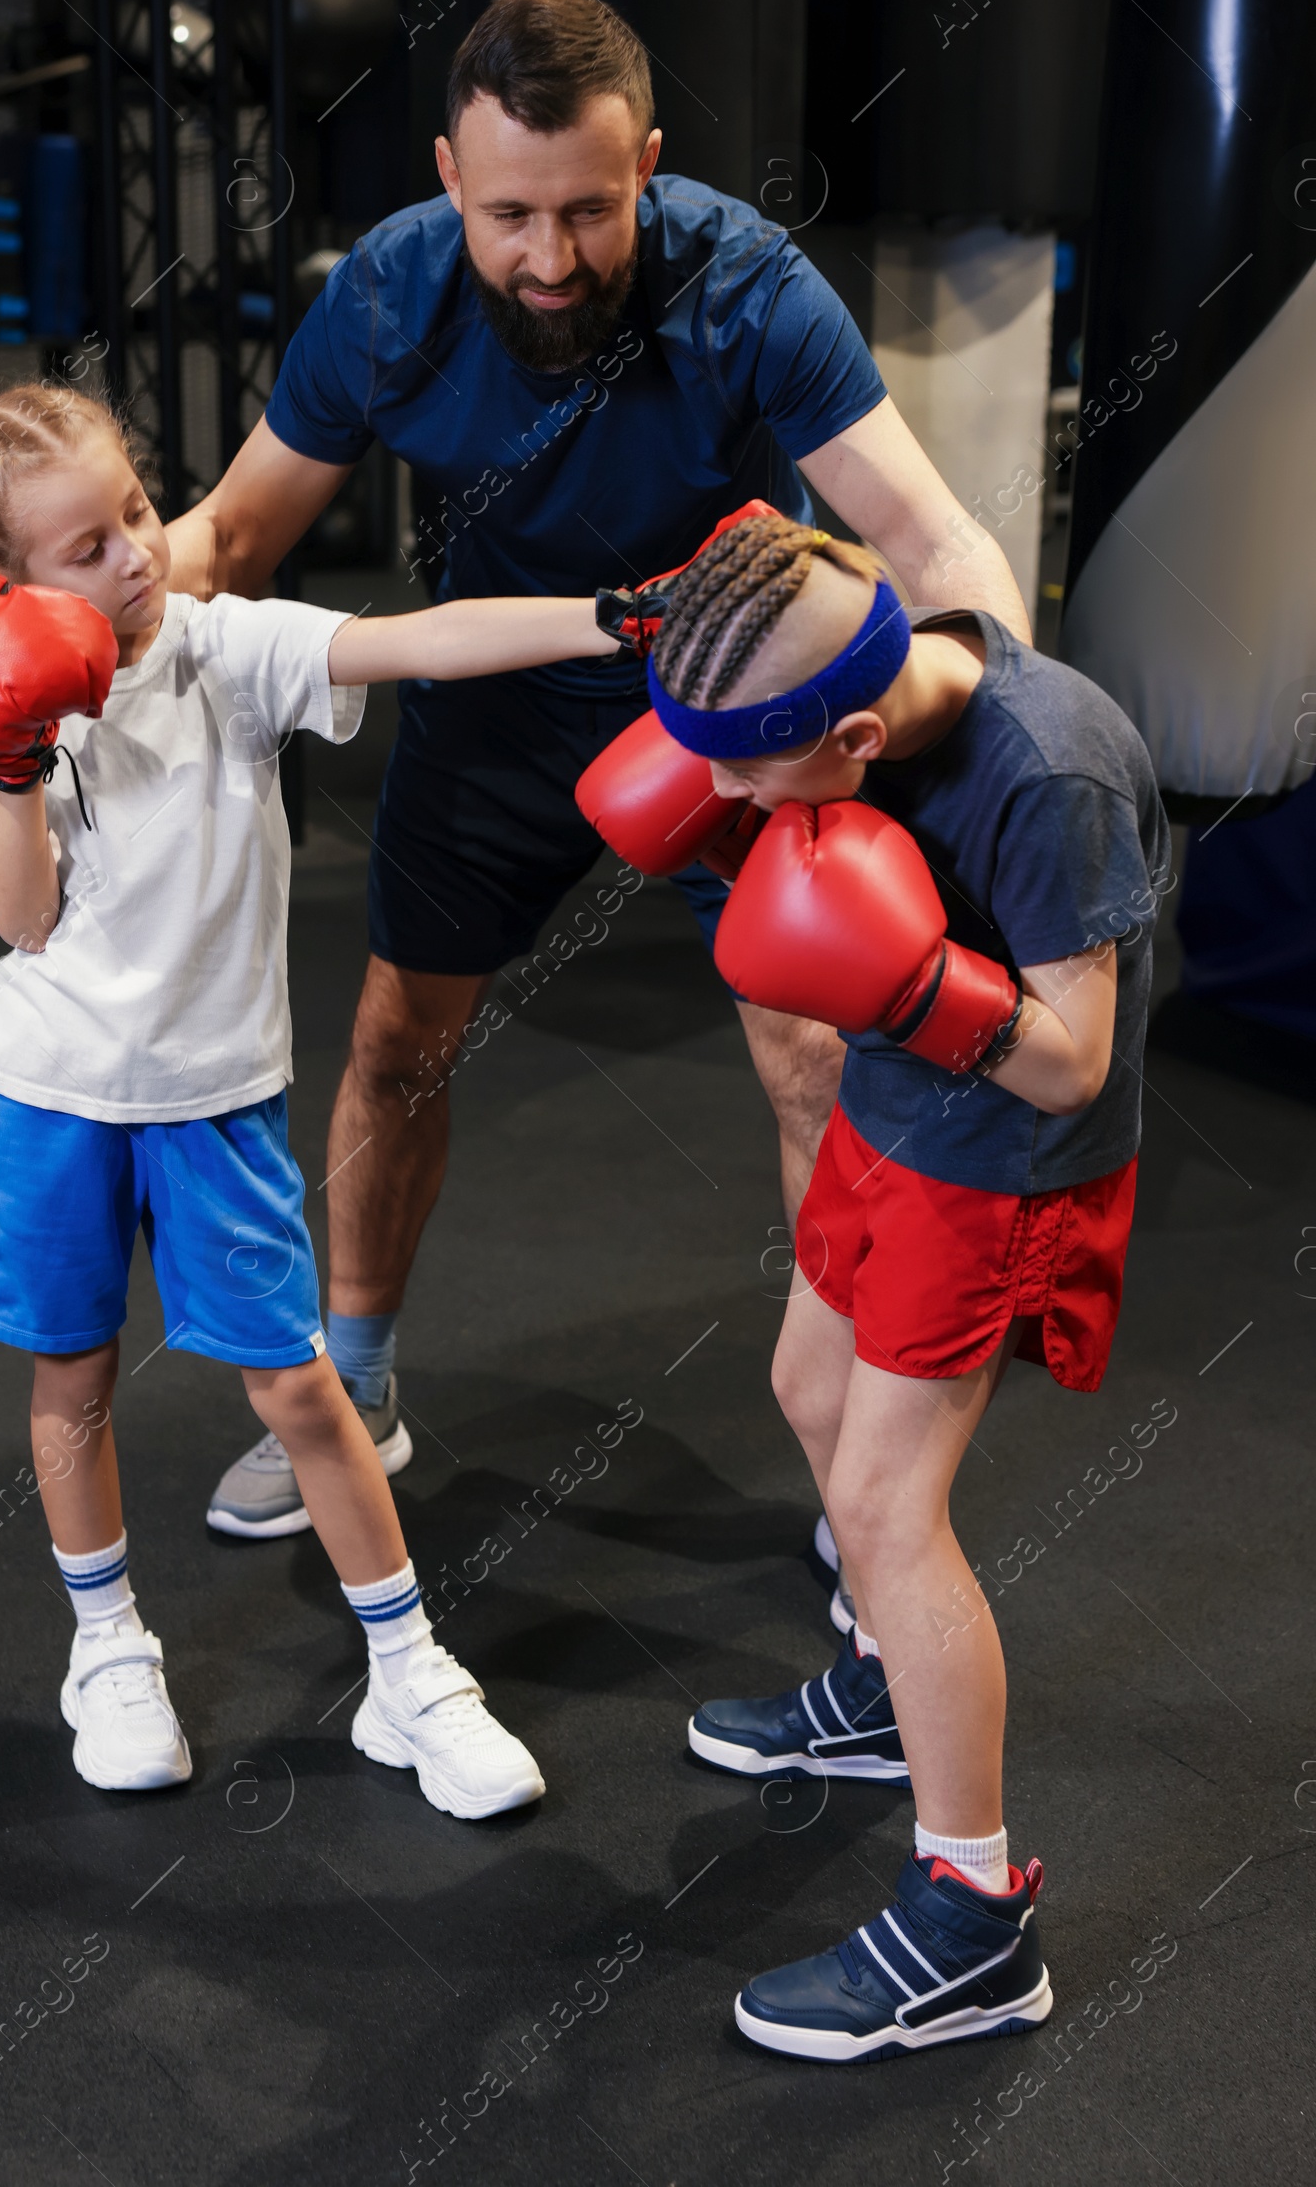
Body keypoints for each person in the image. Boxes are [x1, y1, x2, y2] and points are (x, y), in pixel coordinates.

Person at [169, 0, 1033, 1541]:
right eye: (510, 213)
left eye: (587, 208)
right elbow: (229, 537)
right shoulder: (388, 296)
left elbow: (928, 531)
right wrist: (74, 602)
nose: (549, 259)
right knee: (389, 1044)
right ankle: (356, 1383)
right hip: (501, 689)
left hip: (733, 705)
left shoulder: (749, 288)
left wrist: (992, 689)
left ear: (646, 163)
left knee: (818, 1060)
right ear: (448, 174)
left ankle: (865, 1462)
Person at [0, 382, 625, 1814]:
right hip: (51, 1091)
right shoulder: (2, 693)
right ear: (5, 584)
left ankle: (409, 1669)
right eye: (86, 546)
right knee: (74, 1375)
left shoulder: (221, 650)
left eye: (134, 512)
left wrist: (609, 615)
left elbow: (416, 641)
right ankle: (108, 1648)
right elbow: (24, 924)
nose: (132, 554)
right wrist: (7, 771)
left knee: (303, 1387)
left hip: (214, 1095)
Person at [600, 505, 1165, 2060]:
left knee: (891, 1511)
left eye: (746, 769)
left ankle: (977, 1921)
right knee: (803, 1390)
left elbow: (1071, 1063)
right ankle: (873, 1689)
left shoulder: (1050, 777)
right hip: (892, 1113)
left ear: (854, 730)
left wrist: (906, 980)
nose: (716, 798)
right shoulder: (850, 654)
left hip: (998, 1167)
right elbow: (781, 562)